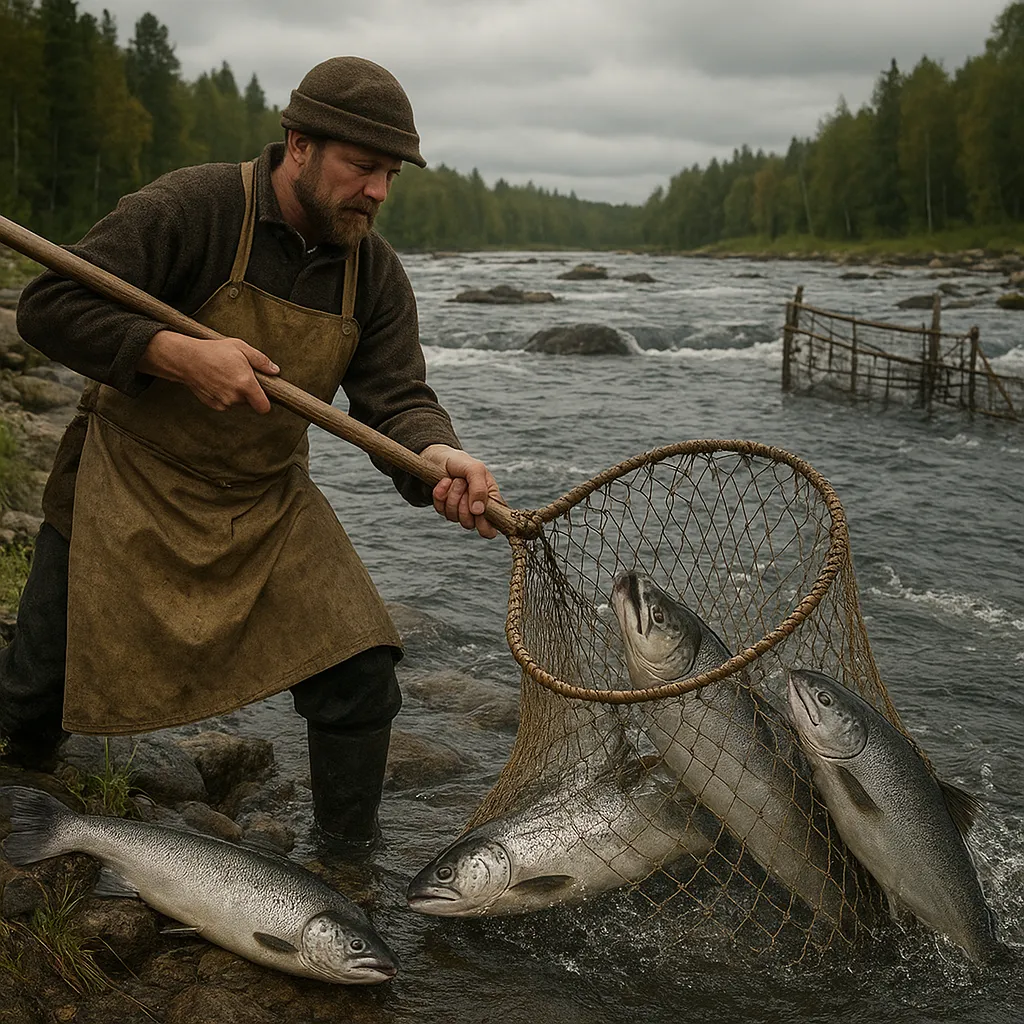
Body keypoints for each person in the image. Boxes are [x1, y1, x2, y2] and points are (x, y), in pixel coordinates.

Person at [0, 56, 502, 859]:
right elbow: (49, 306)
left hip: (266, 502)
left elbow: (397, 399)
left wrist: (436, 454)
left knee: (361, 669)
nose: (378, 191)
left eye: (390, 175)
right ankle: (23, 816)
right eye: (362, 167)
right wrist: (171, 353)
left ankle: (346, 868)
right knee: (34, 694)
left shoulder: (372, 271)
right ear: (298, 145)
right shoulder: (192, 208)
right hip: (124, 480)